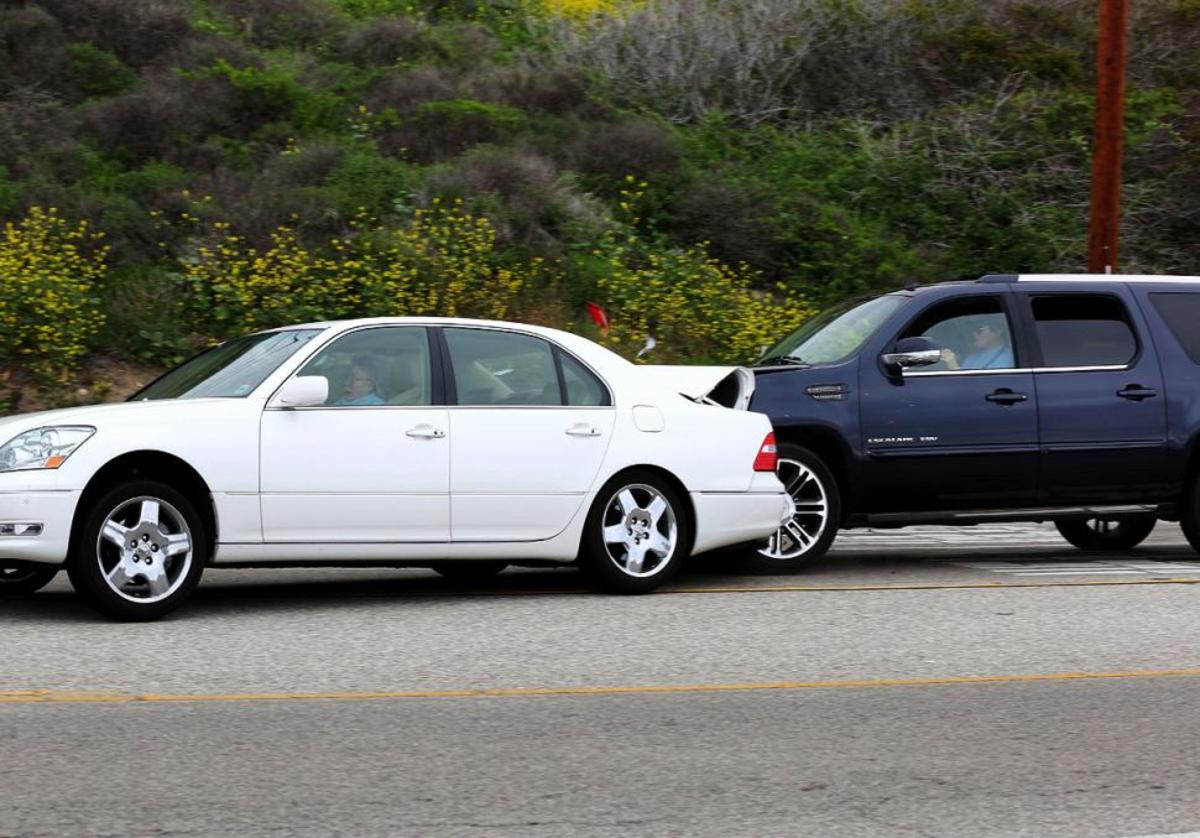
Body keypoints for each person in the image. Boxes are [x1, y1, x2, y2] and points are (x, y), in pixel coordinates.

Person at [942, 320, 1013, 370]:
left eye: (979, 330)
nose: (974, 334)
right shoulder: (974, 355)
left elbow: (978, 386)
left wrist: (953, 366)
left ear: (997, 331)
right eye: (973, 330)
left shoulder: (1006, 358)